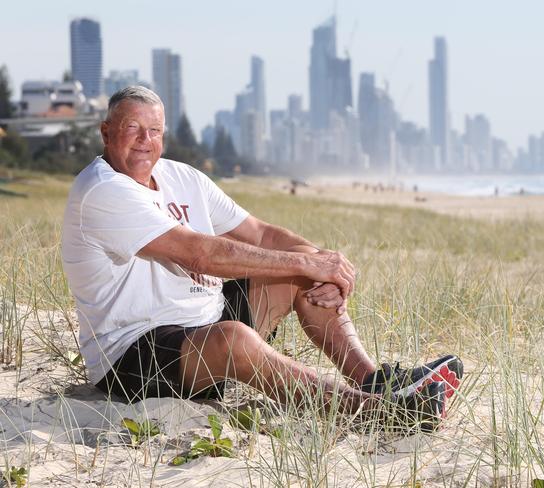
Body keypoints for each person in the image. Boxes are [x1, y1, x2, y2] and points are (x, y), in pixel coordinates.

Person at [61, 86, 463, 430]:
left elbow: (262, 233)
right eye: (133, 128)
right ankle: (375, 413)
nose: (145, 140)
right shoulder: (102, 189)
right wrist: (305, 263)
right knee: (236, 333)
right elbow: (200, 254)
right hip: (132, 354)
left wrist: (318, 260)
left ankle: (375, 382)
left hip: (203, 327)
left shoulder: (182, 177)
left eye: (155, 130)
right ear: (107, 132)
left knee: (299, 275)